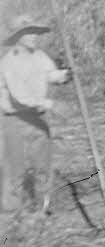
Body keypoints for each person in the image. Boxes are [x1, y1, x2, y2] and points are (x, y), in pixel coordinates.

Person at [0, 15, 71, 213]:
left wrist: (64, 75)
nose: (33, 36)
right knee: (15, 167)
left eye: (34, 32)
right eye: (27, 33)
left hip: (38, 119)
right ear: (17, 37)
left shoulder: (39, 56)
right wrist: (51, 104)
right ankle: (13, 211)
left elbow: (49, 74)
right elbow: (20, 97)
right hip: (15, 120)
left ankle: (42, 206)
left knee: (43, 165)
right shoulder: (9, 62)